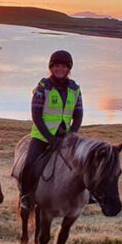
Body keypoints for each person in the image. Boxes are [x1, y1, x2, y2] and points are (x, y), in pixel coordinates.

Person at [18, 50, 84, 211]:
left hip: (65, 137)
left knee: (83, 164)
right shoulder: (43, 87)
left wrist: (72, 134)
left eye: (63, 66)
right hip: (41, 136)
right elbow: (36, 115)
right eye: (56, 66)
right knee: (29, 165)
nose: (59, 69)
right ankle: (25, 196)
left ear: (69, 68)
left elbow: (78, 114)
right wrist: (49, 138)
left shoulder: (75, 89)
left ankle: (87, 195)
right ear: (51, 67)